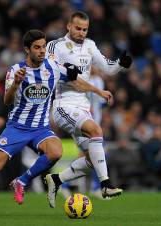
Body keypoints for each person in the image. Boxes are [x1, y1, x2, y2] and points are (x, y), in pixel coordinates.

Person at [0, 29, 83, 218]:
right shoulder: (15, 70)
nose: (42, 51)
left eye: (44, 46)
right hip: (16, 128)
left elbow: (74, 77)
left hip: (40, 129)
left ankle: (22, 181)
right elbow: (7, 100)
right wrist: (16, 84)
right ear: (27, 49)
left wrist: (98, 90)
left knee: (56, 151)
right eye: (37, 47)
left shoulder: (52, 67)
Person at [44, 11, 132, 208]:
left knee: (92, 159)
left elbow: (107, 68)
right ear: (68, 26)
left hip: (83, 107)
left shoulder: (90, 45)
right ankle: (105, 184)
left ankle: (56, 180)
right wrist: (67, 72)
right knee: (96, 131)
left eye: (85, 29)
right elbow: (48, 69)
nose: (81, 32)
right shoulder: (56, 46)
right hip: (64, 105)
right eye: (78, 28)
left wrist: (120, 64)